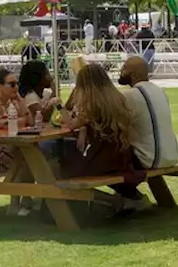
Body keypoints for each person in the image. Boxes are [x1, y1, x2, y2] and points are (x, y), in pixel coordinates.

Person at [59, 64, 139, 206]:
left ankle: (112, 201)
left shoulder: (92, 103)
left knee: (63, 172)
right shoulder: (116, 98)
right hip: (120, 156)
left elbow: (71, 124)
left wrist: (59, 106)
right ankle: (130, 198)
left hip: (101, 159)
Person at [118, 56, 178, 171]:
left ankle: (125, 189)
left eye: (124, 68)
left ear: (133, 75)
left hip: (148, 160)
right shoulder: (159, 91)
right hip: (170, 156)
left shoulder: (131, 95)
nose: (121, 71)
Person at [17, 60, 59, 125]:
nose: (51, 77)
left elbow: (61, 108)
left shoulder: (45, 94)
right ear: (37, 78)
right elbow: (44, 118)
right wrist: (54, 92)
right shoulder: (30, 96)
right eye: (47, 74)